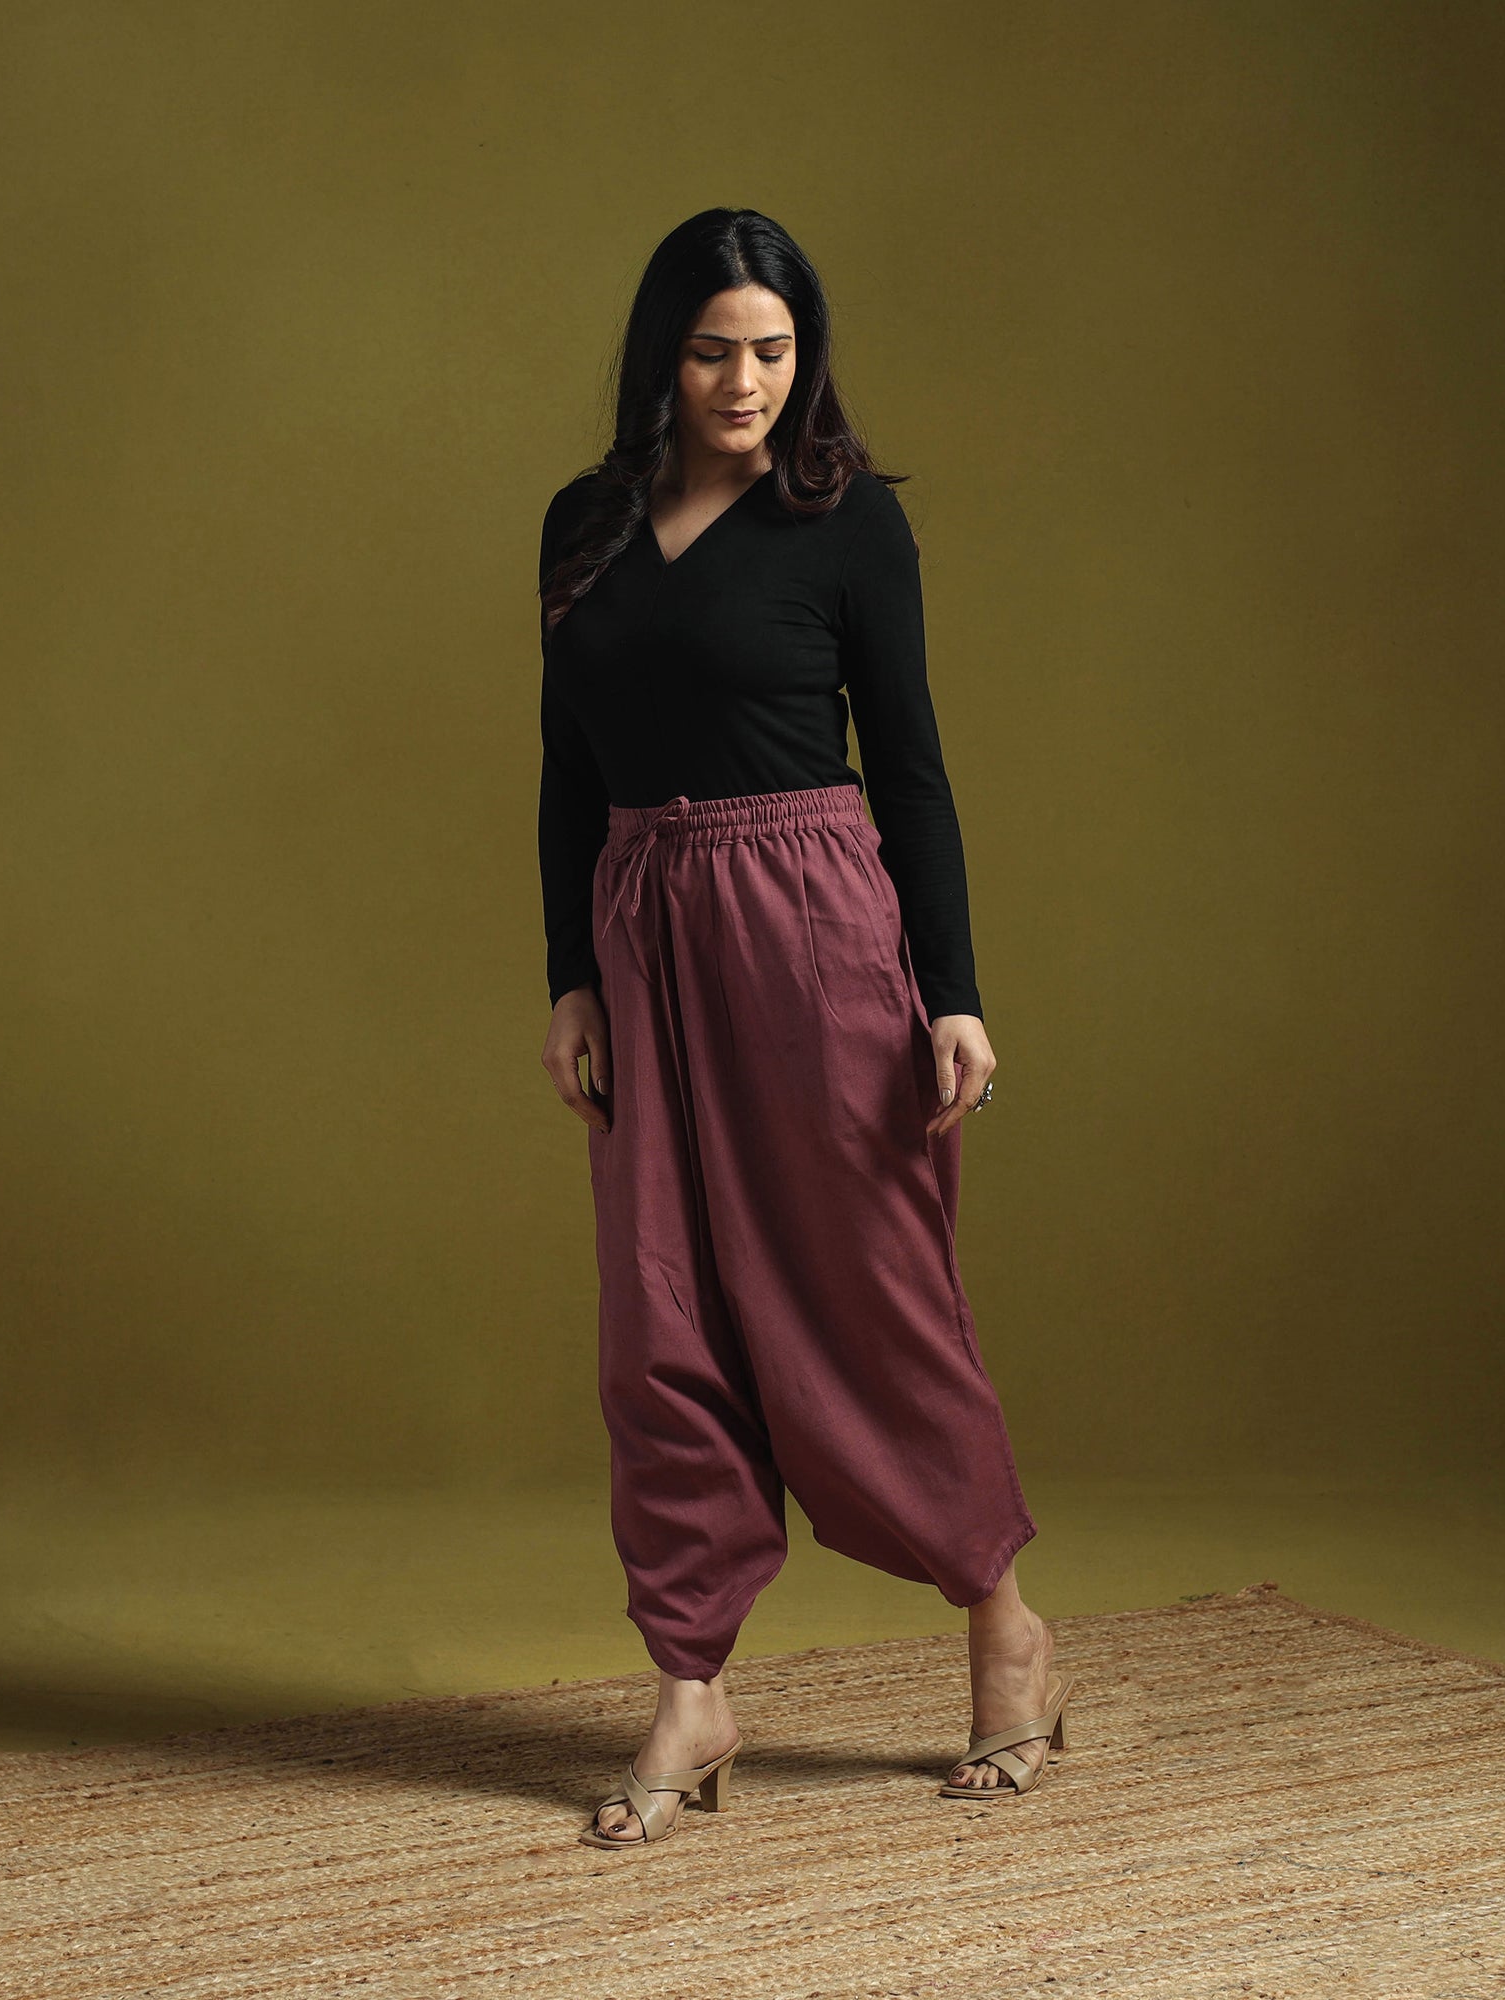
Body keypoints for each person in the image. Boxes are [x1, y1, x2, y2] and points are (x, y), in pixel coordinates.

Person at [536, 208, 1075, 1849]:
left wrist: (953, 990)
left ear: (804, 355)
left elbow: (910, 766)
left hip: (812, 924)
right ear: (664, 356)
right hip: (645, 930)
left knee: (870, 1296)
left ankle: (1006, 1632)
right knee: (661, 1317)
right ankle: (692, 1692)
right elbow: (567, 769)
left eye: (772, 351)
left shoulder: (848, 523)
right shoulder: (584, 522)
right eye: (714, 352)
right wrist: (569, 975)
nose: (745, 383)